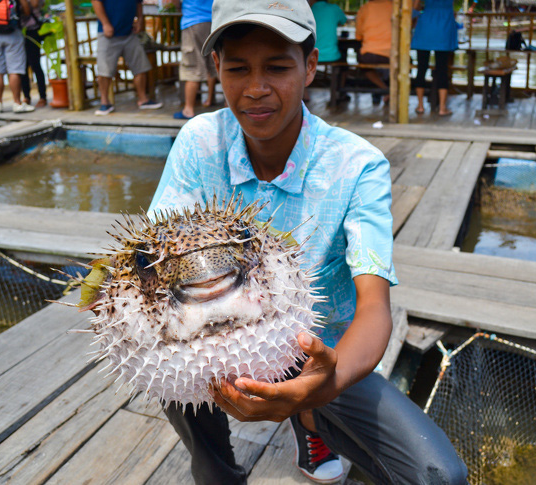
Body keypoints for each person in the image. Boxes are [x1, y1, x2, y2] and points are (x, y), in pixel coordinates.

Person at [148, 0, 469, 484]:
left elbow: (374, 307)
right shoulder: (199, 142)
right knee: (159, 355)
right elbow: (152, 252)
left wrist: (321, 386)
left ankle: (311, 421)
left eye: (277, 67)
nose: (257, 89)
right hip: (209, 332)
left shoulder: (358, 166)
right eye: (238, 68)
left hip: (317, 350)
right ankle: (215, 470)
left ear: (311, 66)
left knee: (440, 476)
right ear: (216, 67)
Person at [92, 0, 163, 115]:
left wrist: (139, 20)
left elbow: (138, 3)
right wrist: (105, 23)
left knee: (141, 66)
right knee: (104, 70)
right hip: (108, 34)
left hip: (129, 33)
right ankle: (105, 103)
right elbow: (96, 1)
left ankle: (143, 100)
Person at [172, 0, 218, 120]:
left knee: (192, 66)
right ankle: (215, 101)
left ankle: (188, 109)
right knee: (214, 63)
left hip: (193, 20)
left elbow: (174, 2)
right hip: (213, 21)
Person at [411, 0, 458, 116]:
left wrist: (414, 15)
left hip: (426, 25)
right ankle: (442, 108)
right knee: (442, 69)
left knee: (421, 68)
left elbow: (415, 6)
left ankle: (420, 105)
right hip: (444, 25)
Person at [355, 0, 392, 105]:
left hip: (369, 53)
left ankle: (384, 88)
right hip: (391, 54)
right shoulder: (393, 7)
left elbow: (359, 36)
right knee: (397, 65)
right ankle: (387, 90)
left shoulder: (365, 8)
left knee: (364, 65)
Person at [20, 0, 47, 108]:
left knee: (35, 64)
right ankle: (26, 96)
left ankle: (42, 96)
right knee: (22, 66)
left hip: (33, 30)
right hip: (19, 31)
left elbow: (36, 4)